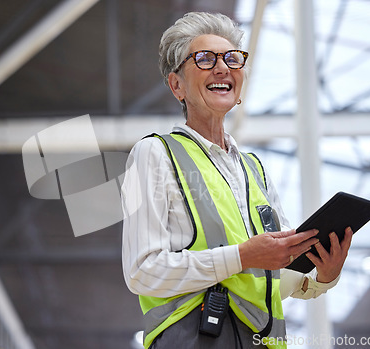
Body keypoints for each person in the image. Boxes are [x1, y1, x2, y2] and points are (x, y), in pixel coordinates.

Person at [121, 12, 352, 349]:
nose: (222, 67)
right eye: (204, 58)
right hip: (196, 337)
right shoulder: (154, 154)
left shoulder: (256, 170)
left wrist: (322, 276)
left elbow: (276, 277)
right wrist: (242, 256)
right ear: (177, 86)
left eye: (232, 58)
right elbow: (143, 271)